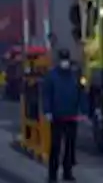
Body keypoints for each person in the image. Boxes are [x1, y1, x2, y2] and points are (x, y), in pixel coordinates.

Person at [41, 50, 86, 182]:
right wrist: (47, 111)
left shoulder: (74, 76)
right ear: (59, 60)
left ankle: (68, 172)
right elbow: (47, 94)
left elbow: (80, 93)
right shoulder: (51, 76)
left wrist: (83, 110)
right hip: (57, 117)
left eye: (66, 59)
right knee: (55, 146)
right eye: (63, 59)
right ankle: (52, 175)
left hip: (71, 116)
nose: (65, 62)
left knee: (70, 147)